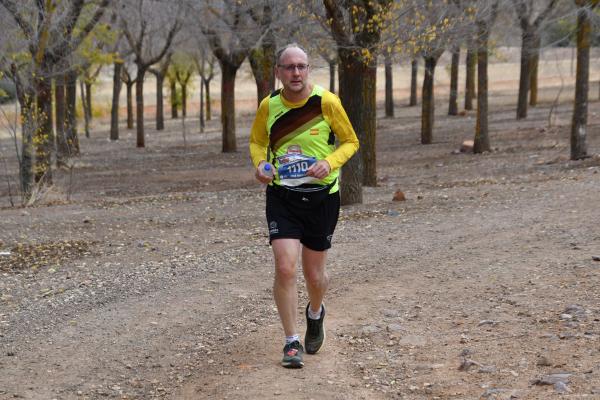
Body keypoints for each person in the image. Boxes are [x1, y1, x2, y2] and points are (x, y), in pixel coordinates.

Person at [249, 43, 359, 368]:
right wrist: (260, 165)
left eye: (301, 66)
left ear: (308, 69)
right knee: (285, 267)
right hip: (283, 197)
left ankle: (315, 312)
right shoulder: (269, 105)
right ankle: (291, 341)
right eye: (289, 67)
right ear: (279, 72)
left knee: (315, 276)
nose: (296, 73)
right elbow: (257, 142)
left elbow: (351, 141)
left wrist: (330, 161)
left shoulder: (326, 102)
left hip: (322, 198)